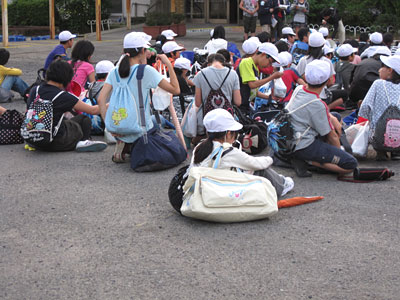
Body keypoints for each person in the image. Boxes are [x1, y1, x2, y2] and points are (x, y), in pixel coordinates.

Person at [97, 32, 180, 163]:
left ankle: (125, 142)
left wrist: (109, 126)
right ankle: (135, 144)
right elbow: (175, 89)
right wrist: (168, 65)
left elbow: (101, 99)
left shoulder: (114, 72)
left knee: (134, 120)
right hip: (141, 128)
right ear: (142, 50)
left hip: (118, 125)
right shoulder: (146, 71)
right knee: (160, 120)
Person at [191, 108, 294, 197]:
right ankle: (282, 185)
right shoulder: (228, 152)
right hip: (224, 188)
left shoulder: (199, 147)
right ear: (228, 133)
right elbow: (256, 163)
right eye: (235, 134)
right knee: (259, 169)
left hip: (205, 187)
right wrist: (271, 158)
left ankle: (281, 180)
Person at [288, 60, 358, 176]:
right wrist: (339, 154)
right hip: (303, 145)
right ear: (327, 80)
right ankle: (310, 162)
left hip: (292, 135)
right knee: (350, 164)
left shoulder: (299, 89)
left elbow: (324, 114)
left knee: (335, 116)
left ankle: (309, 158)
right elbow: (332, 137)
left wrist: (333, 119)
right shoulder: (318, 104)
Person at [25, 60, 107, 152]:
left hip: (32, 140)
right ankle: (83, 141)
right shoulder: (63, 96)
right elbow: (93, 110)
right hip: (55, 143)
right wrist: (112, 103)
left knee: (60, 119)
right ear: (67, 77)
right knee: (83, 119)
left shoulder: (35, 90)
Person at [358, 55, 400, 160]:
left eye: (382, 67)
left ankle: (381, 151)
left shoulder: (378, 84)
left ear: (390, 70)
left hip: (379, 136)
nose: (379, 70)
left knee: (376, 124)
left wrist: (360, 125)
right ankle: (396, 151)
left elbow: (365, 107)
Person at [295, 32, 342, 110]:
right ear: (323, 46)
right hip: (322, 96)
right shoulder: (327, 61)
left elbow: (296, 76)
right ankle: (327, 108)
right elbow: (331, 82)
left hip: (304, 96)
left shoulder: (303, 60)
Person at [237, 42, 283, 112]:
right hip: (239, 106)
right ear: (263, 54)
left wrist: (270, 97)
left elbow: (253, 92)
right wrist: (272, 77)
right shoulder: (246, 62)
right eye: (270, 62)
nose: (269, 65)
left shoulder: (255, 68)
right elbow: (252, 84)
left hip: (246, 105)